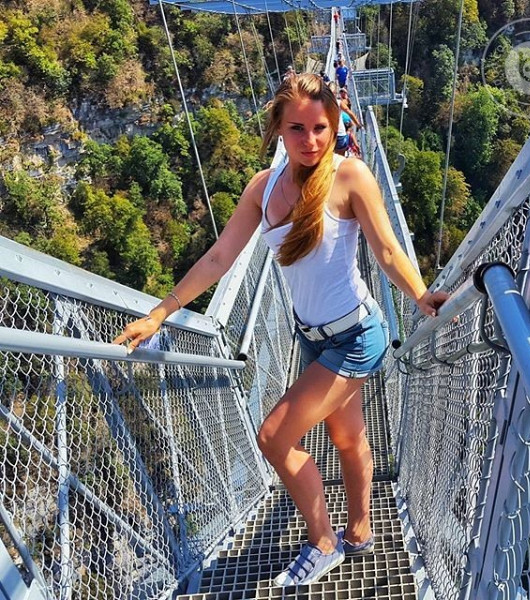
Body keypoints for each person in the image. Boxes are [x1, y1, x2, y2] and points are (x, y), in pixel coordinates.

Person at [114, 73, 448, 587]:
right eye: (297, 128)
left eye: (320, 128)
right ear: (278, 129)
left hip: (358, 335)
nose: (310, 140)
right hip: (311, 338)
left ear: (334, 126)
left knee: (273, 436)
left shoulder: (351, 176)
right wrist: (160, 313)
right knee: (346, 435)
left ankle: (324, 541)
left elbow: (385, 249)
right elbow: (220, 257)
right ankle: (360, 531)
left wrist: (420, 295)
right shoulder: (262, 188)